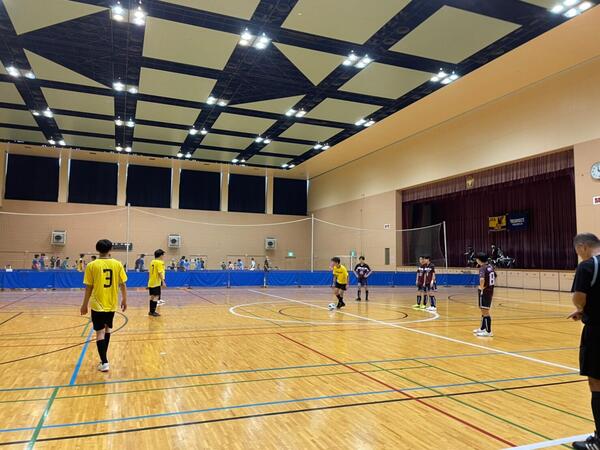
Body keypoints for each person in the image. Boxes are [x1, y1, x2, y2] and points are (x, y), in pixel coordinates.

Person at [569, 233, 600, 450]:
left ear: (582, 247)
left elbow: (579, 298)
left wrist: (582, 309)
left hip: (597, 332)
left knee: (596, 383)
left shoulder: (587, 266)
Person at [79, 239, 127, 372]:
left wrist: (84, 305)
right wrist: (124, 300)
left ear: (97, 249)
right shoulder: (117, 264)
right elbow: (123, 284)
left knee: (99, 332)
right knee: (107, 330)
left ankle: (104, 362)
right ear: (110, 249)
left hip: (97, 303)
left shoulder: (92, 265)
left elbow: (89, 288)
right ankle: (104, 359)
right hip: (111, 303)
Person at [473, 252, 496, 337]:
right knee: (483, 310)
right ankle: (482, 328)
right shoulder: (490, 267)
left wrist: (481, 287)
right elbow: (494, 276)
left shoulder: (482, 268)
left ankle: (488, 331)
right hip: (490, 290)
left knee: (485, 311)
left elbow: (482, 279)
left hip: (485, 291)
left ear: (479, 260)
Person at [148, 249, 166, 317]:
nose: (163, 256)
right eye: (163, 255)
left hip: (151, 281)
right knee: (156, 297)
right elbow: (160, 272)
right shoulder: (160, 262)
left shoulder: (152, 262)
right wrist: (163, 282)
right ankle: (153, 312)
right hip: (156, 282)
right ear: (160, 255)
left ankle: (151, 311)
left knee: (152, 296)